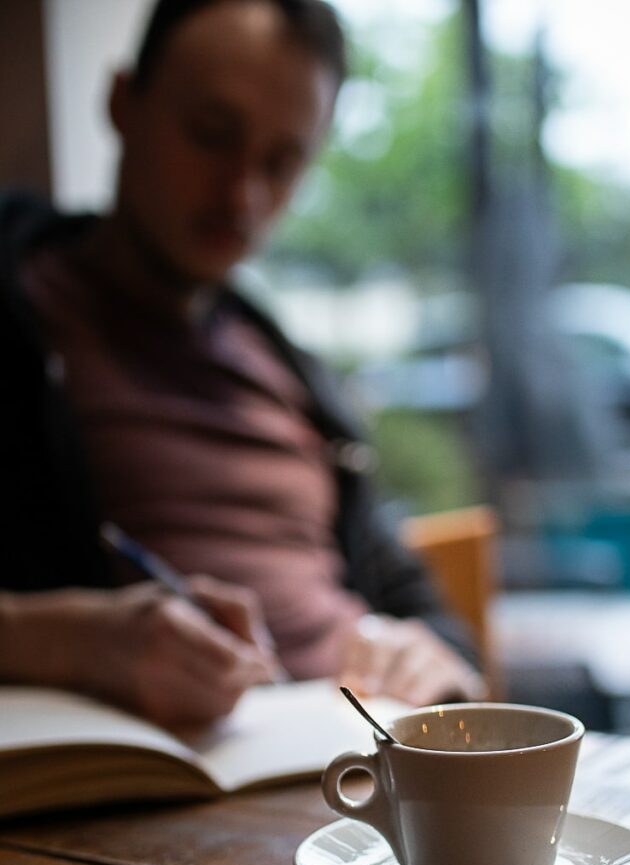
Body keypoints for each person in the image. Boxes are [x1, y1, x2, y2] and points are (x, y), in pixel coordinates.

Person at [0, 0, 486, 727]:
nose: (242, 195)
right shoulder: (20, 318)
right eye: (210, 135)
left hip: (360, 768)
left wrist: (436, 660)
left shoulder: (291, 373)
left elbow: (420, 612)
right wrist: (59, 642)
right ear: (122, 104)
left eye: (282, 162)